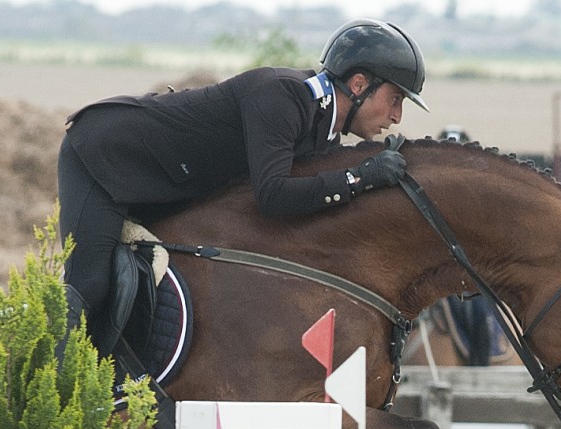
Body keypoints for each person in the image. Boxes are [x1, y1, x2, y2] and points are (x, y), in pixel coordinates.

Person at [56, 18, 428, 355]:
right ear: (359, 84)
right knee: (91, 287)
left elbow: (310, 197)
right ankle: (40, 385)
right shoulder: (283, 95)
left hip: (160, 185)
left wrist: (373, 179)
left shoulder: (323, 131)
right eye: (395, 99)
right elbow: (273, 196)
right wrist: (360, 177)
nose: (396, 116)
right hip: (105, 156)